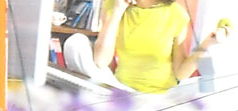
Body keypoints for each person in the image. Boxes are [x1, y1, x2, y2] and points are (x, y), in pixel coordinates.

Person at [66, 0, 229, 94]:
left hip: (161, 96)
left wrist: (206, 44)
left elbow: (180, 73)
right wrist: (118, 11)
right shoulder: (113, 5)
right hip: (123, 90)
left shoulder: (176, 13)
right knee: (76, 42)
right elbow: (101, 60)